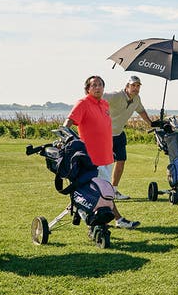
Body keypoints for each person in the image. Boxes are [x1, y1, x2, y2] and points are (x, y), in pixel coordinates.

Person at [64, 75, 140, 229]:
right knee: (105, 191)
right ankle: (118, 219)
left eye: (100, 85)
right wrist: (65, 138)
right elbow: (68, 122)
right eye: (94, 85)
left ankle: (93, 217)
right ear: (88, 89)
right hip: (91, 157)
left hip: (106, 155)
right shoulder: (83, 103)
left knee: (103, 191)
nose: (98, 88)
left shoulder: (105, 104)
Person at [103, 75, 155, 200]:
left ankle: (114, 190)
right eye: (133, 85)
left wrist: (152, 124)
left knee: (121, 162)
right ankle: (102, 191)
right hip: (104, 135)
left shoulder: (136, 99)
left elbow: (141, 111)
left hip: (119, 134)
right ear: (127, 86)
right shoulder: (115, 95)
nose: (135, 88)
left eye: (138, 86)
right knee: (104, 165)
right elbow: (97, 98)